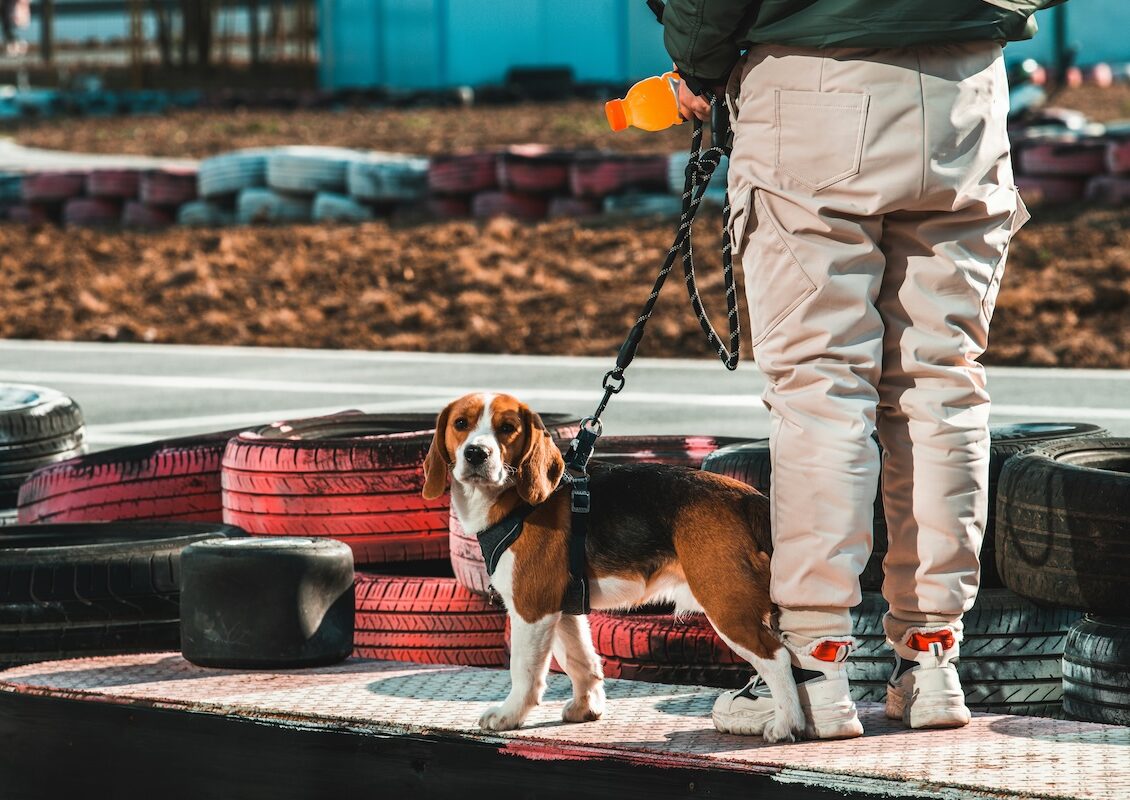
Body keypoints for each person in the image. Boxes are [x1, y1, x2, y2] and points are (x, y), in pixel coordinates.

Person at [661, 0, 1060, 738]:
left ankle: (814, 668)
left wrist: (697, 62)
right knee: (942, 382)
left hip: (816, 83)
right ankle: (933, 660)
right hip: (966, 92)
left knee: (823, 390)